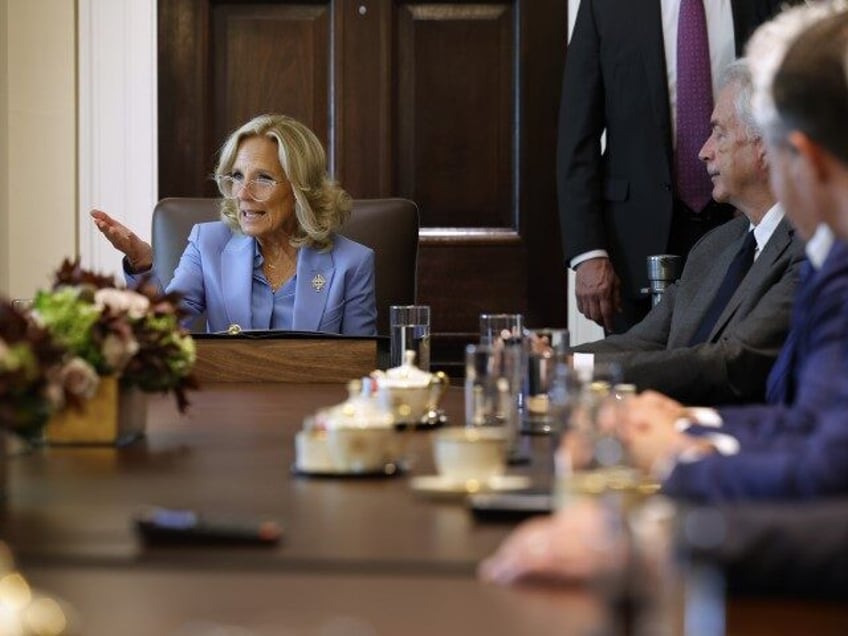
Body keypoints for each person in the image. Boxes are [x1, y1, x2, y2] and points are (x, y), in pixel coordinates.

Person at [480, 0, 848, 586]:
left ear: (791, 156)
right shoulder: (742, 252)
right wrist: (681, 431)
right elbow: (808, 428)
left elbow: (821, 468)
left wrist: (668, 489)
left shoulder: (825, 266)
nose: (704, 153)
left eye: (724, 134)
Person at [570, 59, 803, 406]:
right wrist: (555, 361)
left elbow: (734, 363)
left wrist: (580, 373)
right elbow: (644, 341)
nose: (703, 151)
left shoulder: (813, 247)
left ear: (766, 146)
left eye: (720, 133)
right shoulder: (715, 246)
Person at [559, 0, 790, 333]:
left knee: (728, 366)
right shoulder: (605, 7)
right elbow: (576, 136)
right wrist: (588, 253)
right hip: (633, 242)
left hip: (741, 224)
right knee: (632, 369)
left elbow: (785, 112)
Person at [92, 114, 377, 336]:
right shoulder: (207, 244)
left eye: (263, 178)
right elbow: (163, 328)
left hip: (315, 407)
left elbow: (362, 366)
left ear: (301, 189)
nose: (242, 193)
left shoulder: (352, 263)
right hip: (226, 404)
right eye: (237, 176)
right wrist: (142, 263)